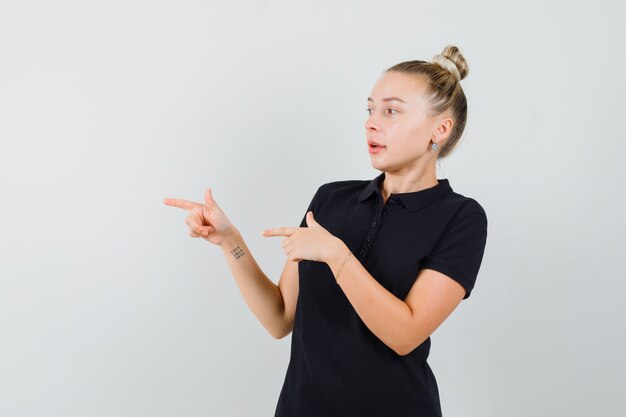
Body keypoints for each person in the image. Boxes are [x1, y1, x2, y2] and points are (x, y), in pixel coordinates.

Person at [163, 44, 488, 417]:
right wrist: (229, 242)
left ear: (440, 129)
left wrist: (337, 255)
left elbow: (405, 335)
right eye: (370, 110)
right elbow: (280, 317)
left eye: (391, 111)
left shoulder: (461, 218)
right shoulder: (331, 199)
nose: (371, 122)